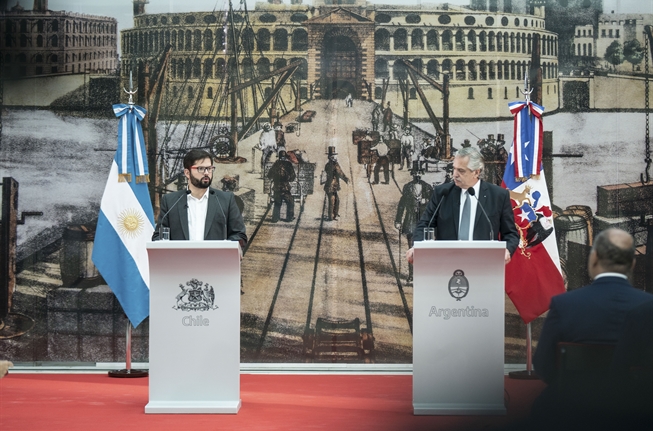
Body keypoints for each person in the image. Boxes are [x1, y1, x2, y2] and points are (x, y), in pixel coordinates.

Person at [527, 228, 653, 431]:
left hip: (573, 411)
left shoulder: (564, 304)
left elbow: (543, 365)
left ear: (593, 259)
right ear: (632, 263)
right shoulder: (649, 307)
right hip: (636, 412)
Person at [405, 146, 518, 265]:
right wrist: (417, 247)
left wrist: (507, 250)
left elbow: (510, 234)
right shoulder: (442, 193)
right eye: (454, 169)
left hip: (483, 265)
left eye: (461, 170)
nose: (455, 174)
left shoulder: (498, 196)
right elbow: (424, 225)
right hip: (446, 265)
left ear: (476, 172)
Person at [152, 149, 247, 248]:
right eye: (201, 169)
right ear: (187, 173)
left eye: (209, 168)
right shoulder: (171, 201)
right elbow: (158, 236)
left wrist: (225, 248)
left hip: (215, 261)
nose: (206, 173)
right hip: (181, 262)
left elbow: (239, 235)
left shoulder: (225, 200)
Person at [395, 161, 433, 282]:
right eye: (415, 172)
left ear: (422, 173)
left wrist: (426, 201)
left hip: (424, 223)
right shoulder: (407, 187)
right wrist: (398, 220)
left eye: (419, 172)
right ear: (412, 174)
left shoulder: (428, 188)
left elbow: (433, 207)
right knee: (411, 249)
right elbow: (402, 205)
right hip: (410, 221)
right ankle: (411, 275)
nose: (417, 174)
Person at [267, 149, 296, 223]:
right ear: (285, 157)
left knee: (277, 203)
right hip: (285, 188)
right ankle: (289, 218)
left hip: (277, 188)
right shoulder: (288, 164)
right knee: (290, 202)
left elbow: (269, 175)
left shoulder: (276, 164)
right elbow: (293, 177)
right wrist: (288, 178)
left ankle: (275, 218)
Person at [323, 146, 349, 221]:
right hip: (331, 186)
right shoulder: (334, 164)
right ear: (330, 156)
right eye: (333, 155)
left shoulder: (328, 164)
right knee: (332, 201)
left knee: (336, 200)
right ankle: (331, 216)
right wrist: (345, 179)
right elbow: (339, 172)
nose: (334, 157)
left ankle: (334, 214)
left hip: (331, 185)